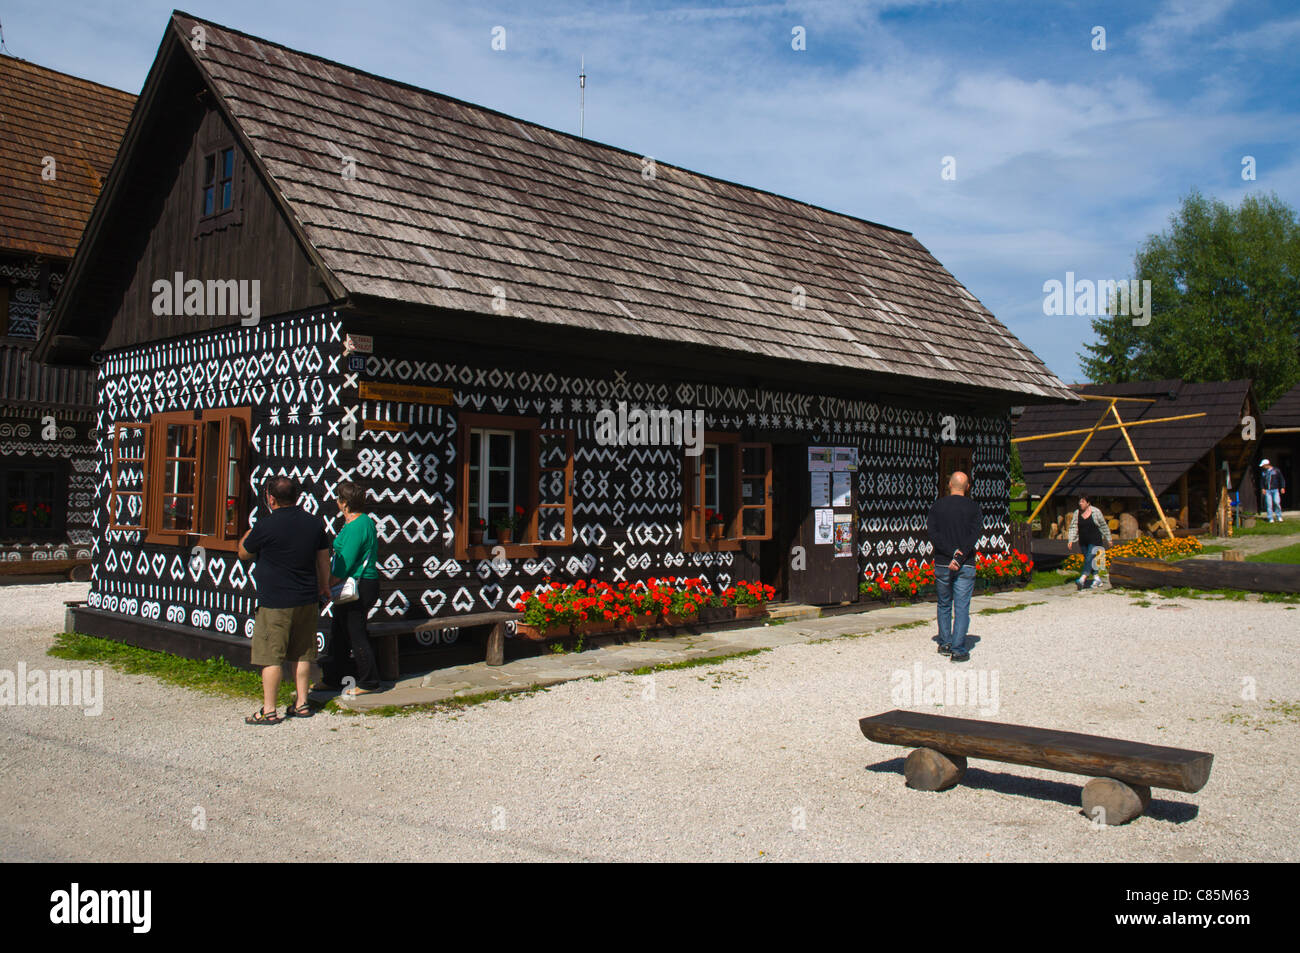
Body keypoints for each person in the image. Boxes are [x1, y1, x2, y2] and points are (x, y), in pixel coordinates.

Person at [237, 476, 331, 724]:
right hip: (307, 597)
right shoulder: (313, 524)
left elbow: (244, 552)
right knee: (302, 653)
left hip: (275, 601)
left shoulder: (266, 525)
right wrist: (324, 586)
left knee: (271, 656)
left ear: (271, 498)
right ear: (298, 496)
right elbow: (323, 558)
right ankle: (301, 704)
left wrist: (250, 530)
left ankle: (269, 710)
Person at [318, 480, 382, 696]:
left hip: (359, 583)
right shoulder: (360, 522)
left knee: (355, 631)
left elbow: (346, 561)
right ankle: (333, 677)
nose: (337, 501)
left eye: (339, 498)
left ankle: (369, 681)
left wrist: (327, 584)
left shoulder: (357, 526)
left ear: (345, 503)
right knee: (339, 630)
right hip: (359, 582)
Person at [927, 471, 982, 662]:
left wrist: (950, 553)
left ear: (949, 484)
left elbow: (933, 534)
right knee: (961, 606)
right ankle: (958, 649)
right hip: (965, 563)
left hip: (943, 561)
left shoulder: (937, 506)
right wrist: (960, 556)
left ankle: (945, 643)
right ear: (967, 487)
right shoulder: (974, 508)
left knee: (943, 603)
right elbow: (974, 535)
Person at [1067, 494, 1112, 590]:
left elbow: (1103, 525)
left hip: (1095, 540)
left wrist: (1109, 538)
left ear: (1088, 503)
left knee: (1089, 558)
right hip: (1083, 540)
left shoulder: (1096, 512)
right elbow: (1073, 526)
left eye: (1083, 501)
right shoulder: (1077, 513)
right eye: (1079, 501)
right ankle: (1096, 578)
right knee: (1090, 560)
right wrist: (1070, 540)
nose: (1080, 503)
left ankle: (1082, 579)